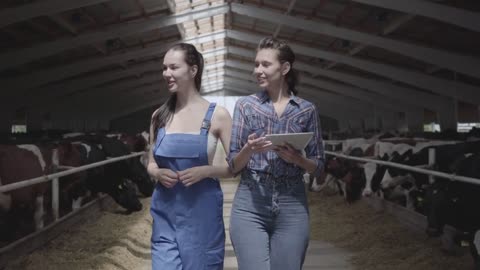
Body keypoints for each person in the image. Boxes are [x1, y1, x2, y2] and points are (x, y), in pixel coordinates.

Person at [227, 37, 325, 270]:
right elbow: (233, 165)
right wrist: (248, 149)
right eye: (256, 64)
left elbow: (320, 167)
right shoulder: (245, 106)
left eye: (265, 64)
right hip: (250, 202)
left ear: (285, 68)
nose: (257, 70)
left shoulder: (306, 109)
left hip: (292, 202)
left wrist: (298, 160)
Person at [147, 43, 232, 270]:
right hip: (166, 215)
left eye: (174, 67)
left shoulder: (218, 116)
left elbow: (235, 166)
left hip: (202, 217)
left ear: (193, 70)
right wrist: (156, 171)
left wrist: (207, 171)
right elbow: (151, 161)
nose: (167, 74)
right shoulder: (159, 116)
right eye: (164, 68)